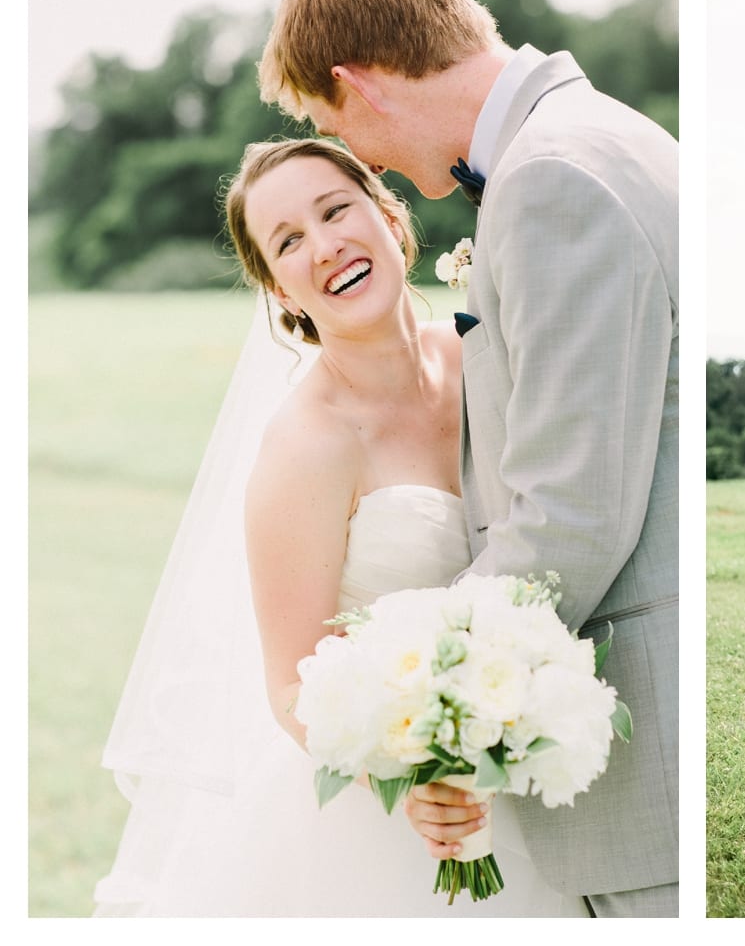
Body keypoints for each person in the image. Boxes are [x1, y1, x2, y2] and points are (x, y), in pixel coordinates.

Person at [258, 0, 678, 916]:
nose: (366, 163)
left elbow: (566, 519)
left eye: (338, 136)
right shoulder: (604, 134)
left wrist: (422, 702)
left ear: (358, 86)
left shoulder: (549, 178)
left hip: (639, 768)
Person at [95, 139, 588, 916]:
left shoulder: (479, 357)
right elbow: (291, 681)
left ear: (391, 217)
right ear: (279, 290)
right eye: (288, 242)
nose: (324, 247)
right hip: (381, 833)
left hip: (533, 791)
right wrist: (411, 773)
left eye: (335, 211)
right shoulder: (306, 446)